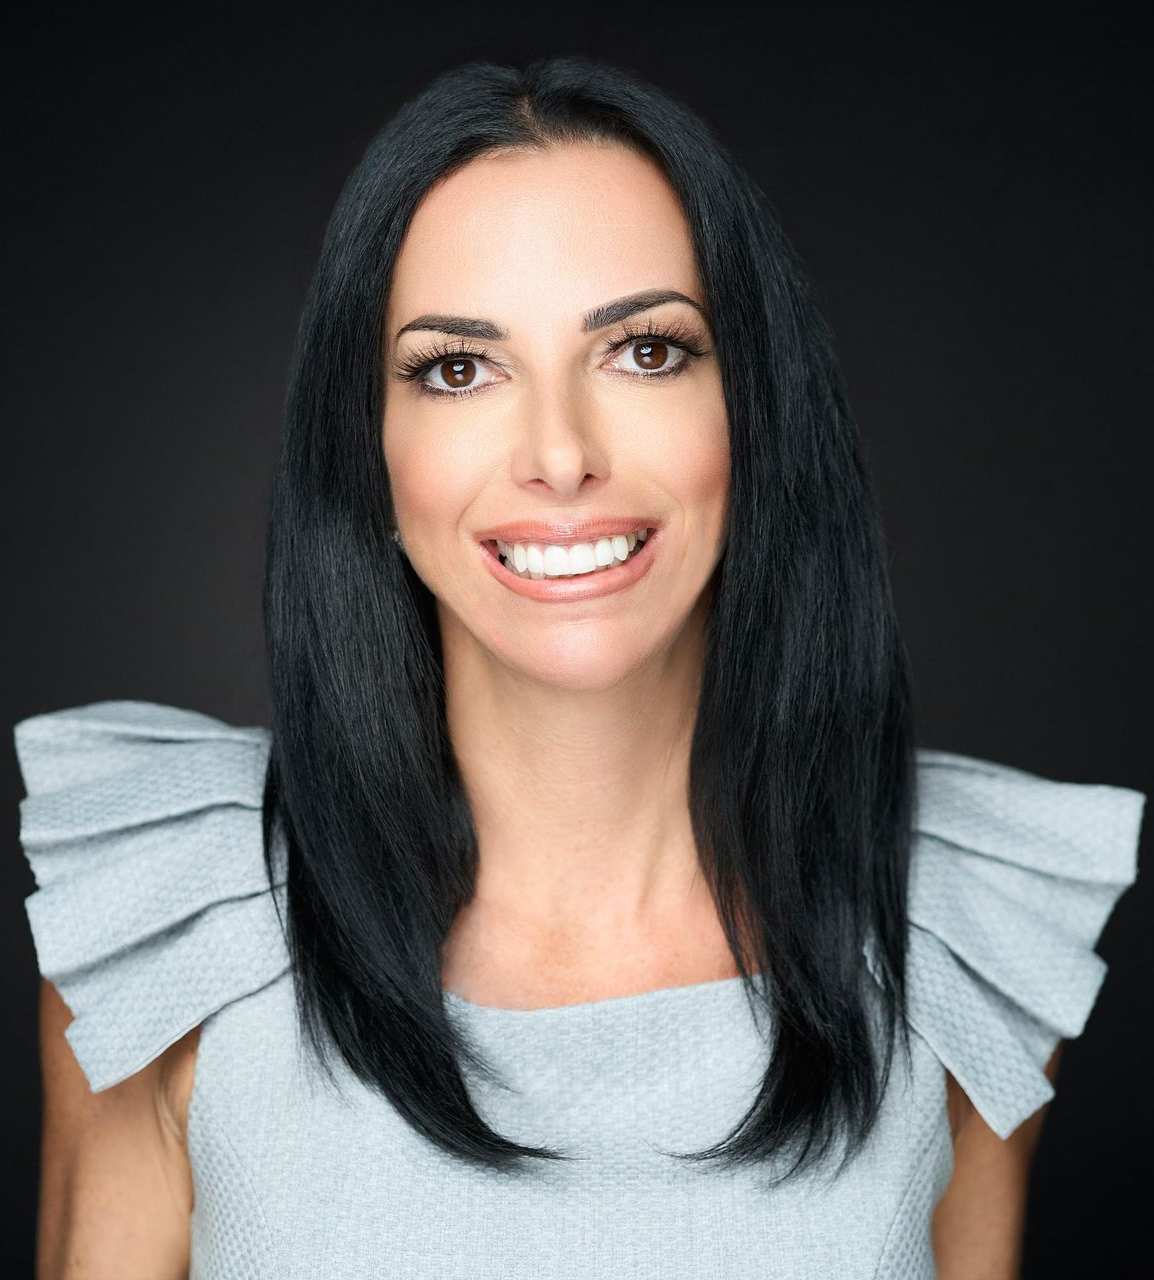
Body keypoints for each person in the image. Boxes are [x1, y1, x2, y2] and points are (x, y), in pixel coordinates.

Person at [13, 55, 1145, 1279]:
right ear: (370, 455)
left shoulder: (955, 934)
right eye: (457, 367)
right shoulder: (176, 919)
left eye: (644, 352)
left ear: (754, 412)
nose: (559, 453)